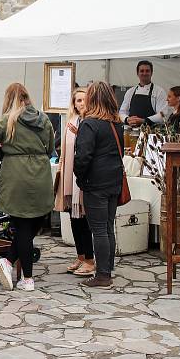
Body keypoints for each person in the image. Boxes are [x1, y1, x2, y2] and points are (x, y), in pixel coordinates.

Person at [0, 83, 55, 293]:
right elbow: (51, 149)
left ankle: (19, 271)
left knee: (22, 228)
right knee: (31, 225)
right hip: (41, 173)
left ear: (9, 99)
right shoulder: (44, 119)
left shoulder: (8, 120)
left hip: (16, 175)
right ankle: (13, 265)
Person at [74, 81, 125, 289]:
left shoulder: (90, 123)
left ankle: (103, 275)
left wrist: (79, 177)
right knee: (107, 227)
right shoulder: (116, 123)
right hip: (114, 181)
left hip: (95, 183)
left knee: (99, 230)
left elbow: (82, 157)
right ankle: (107, 268)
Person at [54, 87, 95, 277]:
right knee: (73, 217)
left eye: (84, 99)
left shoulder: (91, 123)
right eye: (78, 100)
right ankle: (80, 256)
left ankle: (89, 258)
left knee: (84, 219)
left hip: (84, 178)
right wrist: (61, 172)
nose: (81, 103)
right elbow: (63, 150)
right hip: (70, 177)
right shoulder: (70, 122)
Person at [119, 60, 169, 128]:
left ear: (151, 73)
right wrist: (127, 119)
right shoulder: (130, 91)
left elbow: (163, 114)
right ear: (137, 73)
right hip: (131, 132)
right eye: (142, 71)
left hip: (151, 132)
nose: (144, 73)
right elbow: (122, 112)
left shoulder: (159, 91)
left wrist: (144, 121)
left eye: (147, 71)